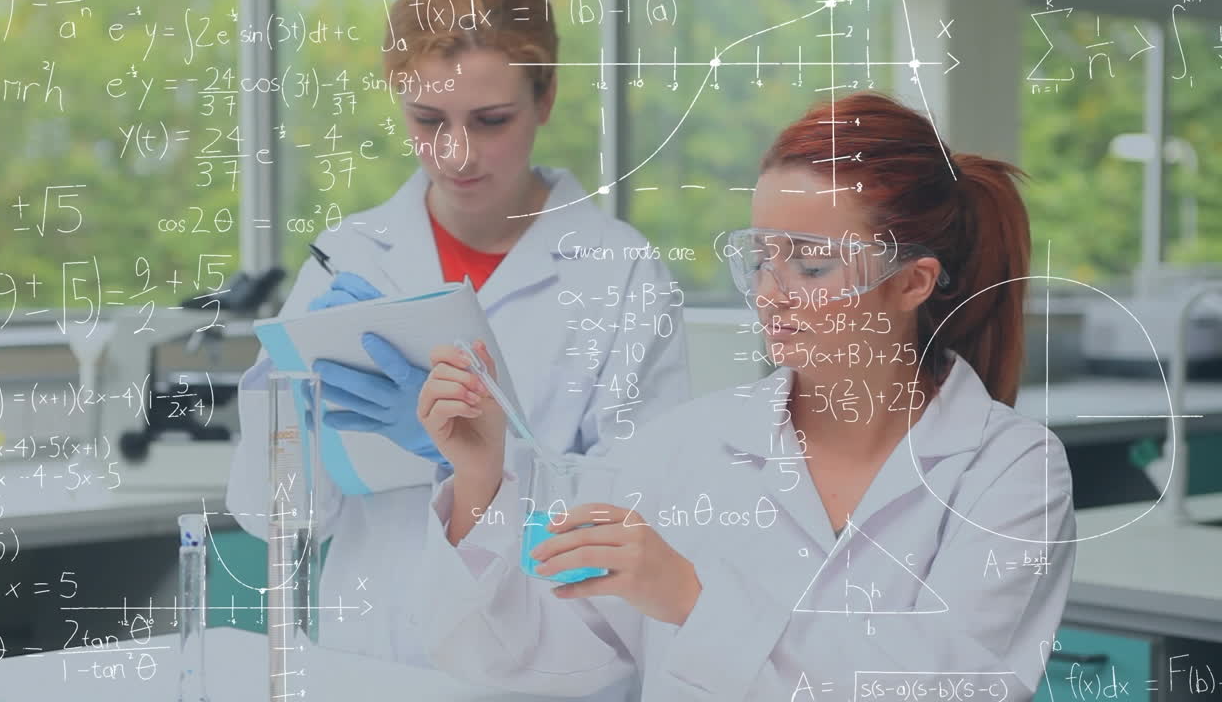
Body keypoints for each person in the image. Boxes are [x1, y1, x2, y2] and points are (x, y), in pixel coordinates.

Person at [415, 91, 1076, 701]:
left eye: (811, 264)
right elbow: (522, 658)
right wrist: (478, 483)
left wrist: (696, 601)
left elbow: (947, 687)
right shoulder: (688, 446)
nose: (770, 291)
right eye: (762, 256)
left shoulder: (1009, 470)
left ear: (912, 282)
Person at [225, 0, 689, 681]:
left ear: (546, 98)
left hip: (540, 677)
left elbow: (641, 521)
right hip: (367, 667)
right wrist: (290, 410)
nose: (456, 152)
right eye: (426, 118)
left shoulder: (621, 276)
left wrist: (482, 463)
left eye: (492, 119)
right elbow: (271, 518)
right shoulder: (347, 258)